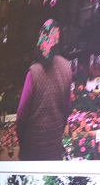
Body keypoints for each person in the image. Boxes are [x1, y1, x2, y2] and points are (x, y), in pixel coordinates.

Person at [15, 19, 74, 161]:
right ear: (58, 38)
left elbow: (21, 115)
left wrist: (22, 139)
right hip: (54, 147)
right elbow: (67, 107)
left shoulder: (33, 72)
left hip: (32, 149)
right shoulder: (66, 67)